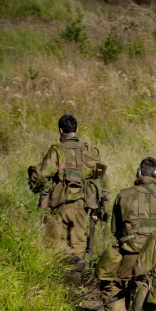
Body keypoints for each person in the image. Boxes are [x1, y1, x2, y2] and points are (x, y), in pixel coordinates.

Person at [95, 157, 156, 311]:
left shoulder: (124, 195)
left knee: (111, 286)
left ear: (139, 173)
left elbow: (115, 229)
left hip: (131, 255)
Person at [28, 114, 104, 273]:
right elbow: (100, 173)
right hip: (82, 204)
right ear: (76, 130)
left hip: (60, 203)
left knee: (53, 241)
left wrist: (34, 184)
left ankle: (69, 263)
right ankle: (76, 281)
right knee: (78, 243)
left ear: (60, 130)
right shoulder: (88, 150)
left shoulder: (57, 150)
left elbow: (42, 173)